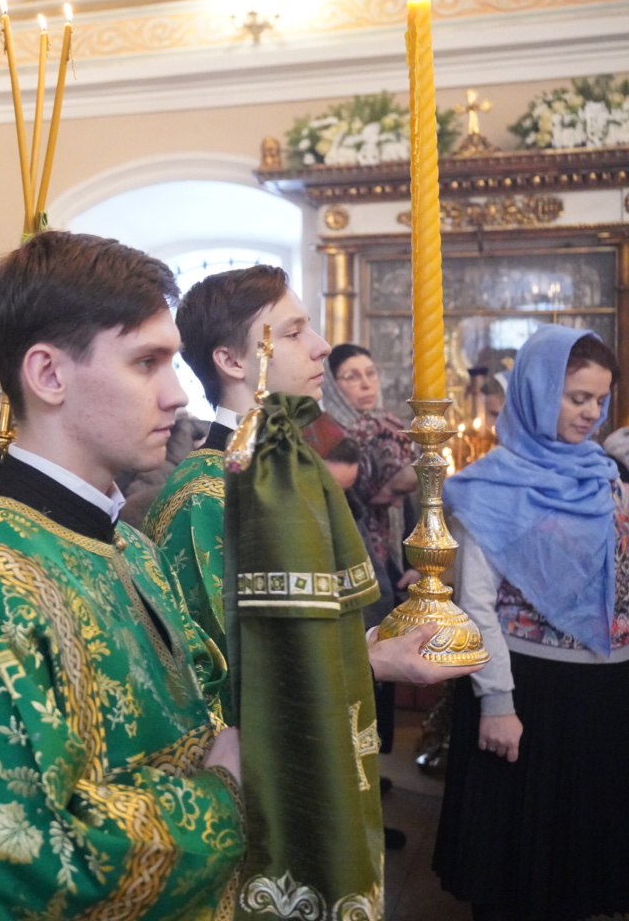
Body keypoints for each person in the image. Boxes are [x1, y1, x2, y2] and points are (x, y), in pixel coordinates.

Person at [0, 231, 244, 917]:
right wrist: (223, 791)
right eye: (146, 363)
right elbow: (30, 858)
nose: (175, 397)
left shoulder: (129, 549)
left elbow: (206, 702)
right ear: (48, 375)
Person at [145, 264, 467, 693]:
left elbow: (305, 633)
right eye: (293, 334)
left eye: (308, 329)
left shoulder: (296, 467)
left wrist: (378, 642)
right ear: (232, 360)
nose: (322, 347)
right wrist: (370, 666)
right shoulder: (205, 497)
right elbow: (218, 686)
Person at [437, 325, 629, 921]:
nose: (591, 414)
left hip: (604, 691)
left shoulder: (601, 474)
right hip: (528, 692)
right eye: (576, 398)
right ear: (538, 392)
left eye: (599, 400)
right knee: (516, 876)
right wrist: (497, 702)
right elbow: (475, 606)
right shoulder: (490, 487)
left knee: (582, 868)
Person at [325, 343, 418, 624]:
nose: (366, 384)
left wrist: (415, 564)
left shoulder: (388, 425)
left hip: (394, 563)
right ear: (330, 384)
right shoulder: (325, 439)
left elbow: (408, 504)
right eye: (352, 377)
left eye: (371, 373)